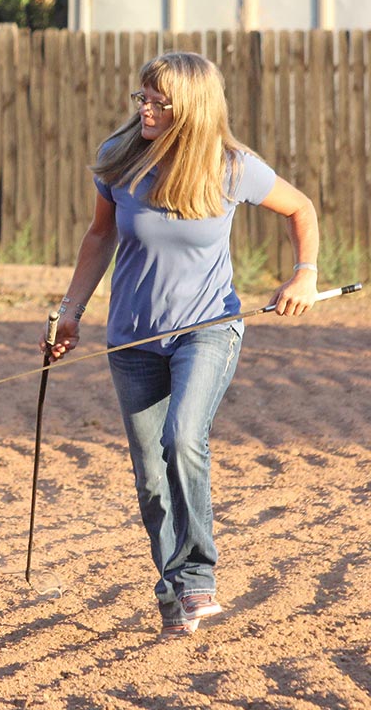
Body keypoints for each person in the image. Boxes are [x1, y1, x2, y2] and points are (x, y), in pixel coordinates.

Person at [45, 51, 319, 637]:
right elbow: (98, 237)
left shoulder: (231, 167)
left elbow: (300, 208)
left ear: (189, 107)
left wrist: (305, 273)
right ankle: (172, 593)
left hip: (208, 328)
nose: (144, 107)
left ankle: (199, 578)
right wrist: (70, 313)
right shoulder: (120, 162)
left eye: (158, 100)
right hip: (133, 339)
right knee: (148, 473)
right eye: (142, 96)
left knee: (182, 438)